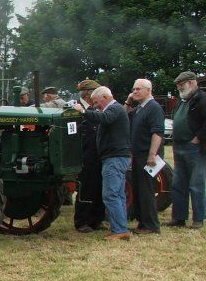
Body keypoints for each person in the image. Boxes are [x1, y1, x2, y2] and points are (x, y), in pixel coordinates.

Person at [72, 86, 131, 240]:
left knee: (111, 194)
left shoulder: (115, 109)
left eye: (97, 102)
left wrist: (83, 111)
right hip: (115, 157)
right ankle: (120, 227)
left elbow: (104, 118)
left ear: (105, 97)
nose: (96, 106)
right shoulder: (114, 110)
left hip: (114, 158)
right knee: (118, 194)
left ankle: (119, 230)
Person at [122, 78, 164, 234]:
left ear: (149, 90)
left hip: (148, 156)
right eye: (133, 89)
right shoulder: (140, 108)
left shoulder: (154, 108)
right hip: (138, 155)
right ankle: (142, 223)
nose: (134, 92)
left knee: (146, 191)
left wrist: (152, 154)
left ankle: (151, 226)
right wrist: (128, 102)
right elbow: (122, 116)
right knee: (139, 190)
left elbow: (157, 132)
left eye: (138, 89)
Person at [167, 71, 205, 229]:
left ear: (191, 83)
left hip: (194, 147)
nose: (179, 88)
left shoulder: (202, 99)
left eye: (181, 85)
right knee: (178, 184)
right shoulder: (182, 101)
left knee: (196, 184)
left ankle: (198, 219)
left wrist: (198, 138)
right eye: (178, 86)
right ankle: (179, 217)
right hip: (179, 145)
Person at [73, 79, 105, 233]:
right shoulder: (73, 110)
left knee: (99, 187)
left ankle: (96, 220)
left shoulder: (96, 110)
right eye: (96, 92)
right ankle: (82, 221)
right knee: (85, 188)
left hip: (98, 154)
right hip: (84, 154)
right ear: (88, 94)